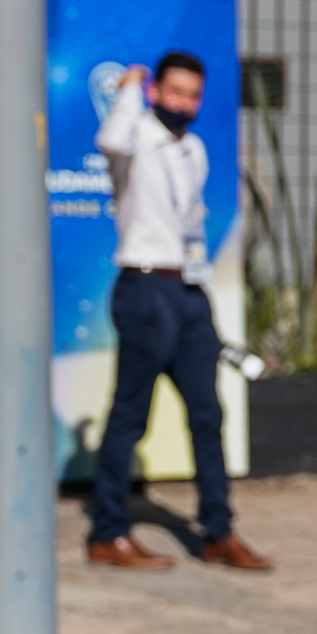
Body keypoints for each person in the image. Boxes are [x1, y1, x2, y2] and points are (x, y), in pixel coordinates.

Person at [86, 52, 267, 570]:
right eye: (175, 92)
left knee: (207, 415)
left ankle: (218, 532)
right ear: (156, 92)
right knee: (130, 415)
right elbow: (109, 141)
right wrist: (126, 90)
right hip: (143, 286)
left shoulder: (194, 149)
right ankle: (107, 532)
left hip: (188, 289)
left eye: (193, 95)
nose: (184, 103)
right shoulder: (136, 135)